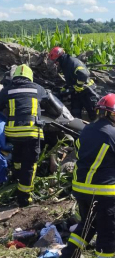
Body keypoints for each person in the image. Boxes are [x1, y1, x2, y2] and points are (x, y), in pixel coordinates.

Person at [0, 64, 48, 207]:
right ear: (30, 76)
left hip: (14, 133)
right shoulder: (38, 89)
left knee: (18, 158)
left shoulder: (8, 90)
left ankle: (16, 179)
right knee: (30, 165)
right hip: (31, 132)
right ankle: (24, 199)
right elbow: (48, 100)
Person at [61, 93, 115, 258]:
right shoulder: (112, 133)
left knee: (87, 226)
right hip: (104, 193)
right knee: (107, 234)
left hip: (81, 190)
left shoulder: (86, 130)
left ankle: (68, 255)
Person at [48, 46, 98, 121]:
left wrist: (78, 86)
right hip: (77, 93)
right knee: (75, 115)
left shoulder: (72, 62)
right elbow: (71, 79)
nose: (56, 64)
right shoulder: (66, 64)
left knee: (94, 114)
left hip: (87, 91)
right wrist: (65, 89)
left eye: (56, 61)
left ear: (60, 58)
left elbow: (84, 74)